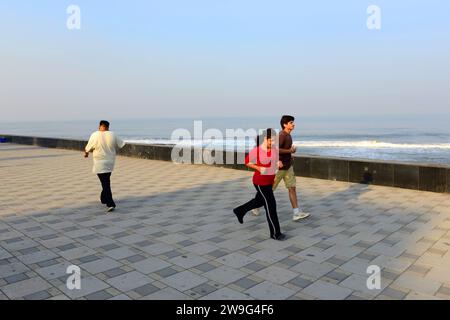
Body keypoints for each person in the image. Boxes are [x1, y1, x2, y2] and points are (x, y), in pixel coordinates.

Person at [252, 115, 310, 221]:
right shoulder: (282, 135)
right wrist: (290, 151)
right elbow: (275, 149)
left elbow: (283, 150)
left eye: (293, 122)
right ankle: (255, 206)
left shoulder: (288, 135)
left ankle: (296, 213)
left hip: (288, 167)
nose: (293, 124)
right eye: (291, 122)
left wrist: (290, 155)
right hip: (278, 168)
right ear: (285, 124)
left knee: (292, 188)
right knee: (269, 190)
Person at [233, 128, 286, 241]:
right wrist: (259, 168)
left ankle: (239, 210)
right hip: (260, 182)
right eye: (271, 140)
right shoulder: (257, 150)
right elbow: (247, 161)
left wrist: (278, 163)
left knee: (259, 201)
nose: (273, 143)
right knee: (271, 206)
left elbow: (275, 160)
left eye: (274, 141)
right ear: (265, 139)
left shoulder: (274, 149)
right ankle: (275, 233)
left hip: (270, 181)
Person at [84, 120, 125, 212]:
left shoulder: (95, 134)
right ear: (108, 127)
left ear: (100, 126)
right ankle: (103, 198)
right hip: (110, 162)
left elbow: (88, 147)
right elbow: (121, 144)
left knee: (105, 182)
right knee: (106, 181)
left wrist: (86, 154)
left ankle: (110, 203)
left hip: (99, 162)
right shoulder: (112, 134)